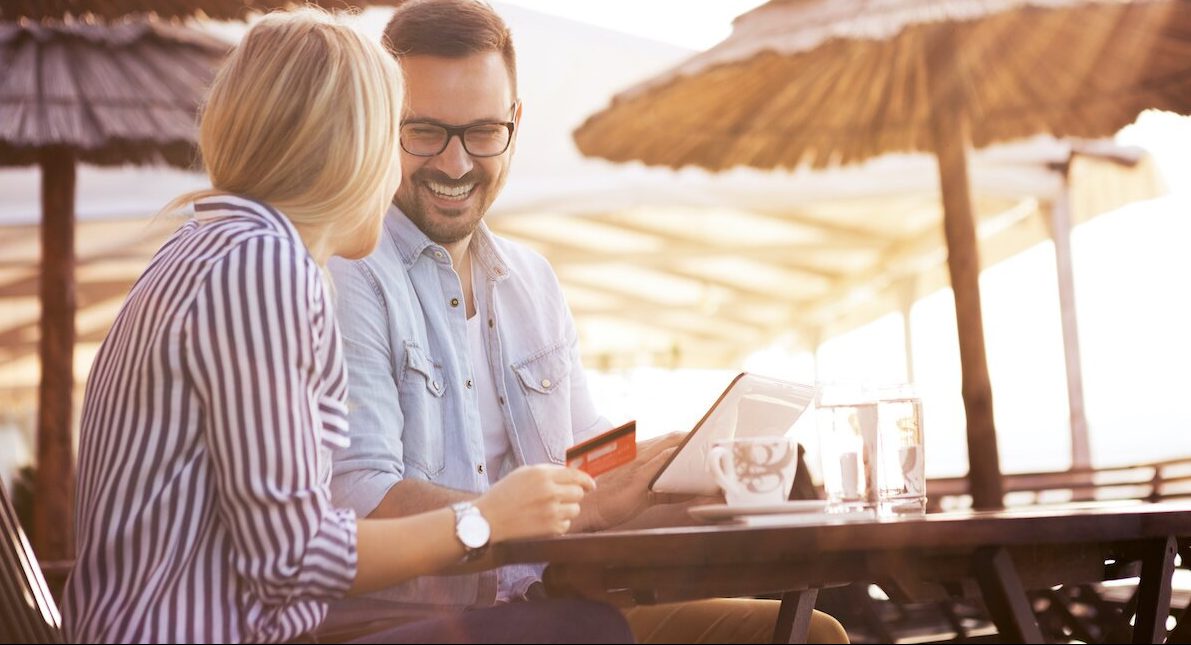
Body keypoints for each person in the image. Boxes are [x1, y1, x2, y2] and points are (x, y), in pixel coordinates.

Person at [60, 9, 634, 645]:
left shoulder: (216, 250)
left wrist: (640, 466)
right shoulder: (264, 268)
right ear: (350, 145)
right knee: (584, 632)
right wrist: (485, 520)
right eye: (401, 135)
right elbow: (292, 562)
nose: (410, 170)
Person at [326, 1, 849, 642]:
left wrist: (666, 473)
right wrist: (578, 509)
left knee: (806, 635)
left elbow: (587, 453)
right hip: (405, 624)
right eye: (425, 132)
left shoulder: (531, 280)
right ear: (383, 125)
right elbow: (359, 496)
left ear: (515, 123)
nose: (456, 164)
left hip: (550, 608)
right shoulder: (349, 271)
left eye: (483, 132)